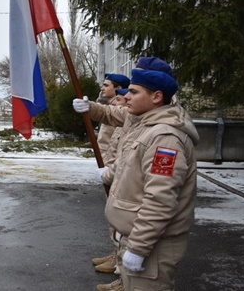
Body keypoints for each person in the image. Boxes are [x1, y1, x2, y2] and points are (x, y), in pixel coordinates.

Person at [73, 62, 199, 291]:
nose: (126, 96)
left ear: (157, 97)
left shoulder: (165, 138)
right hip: (137, 237)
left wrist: (139, 248)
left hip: (153, 245)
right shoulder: (145, 123)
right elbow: (130, 165)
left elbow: (160, 200)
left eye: (133, 91)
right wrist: (110, 173)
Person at [92, 73, 130, 275]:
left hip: (115, 168)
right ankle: (115, 253)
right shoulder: (113, 106)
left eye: (106, 85)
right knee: (112, 219)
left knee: (118, 220)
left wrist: (110, 168)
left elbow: (119, 145)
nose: (102, 88)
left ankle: (120, 259)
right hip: (108, 166)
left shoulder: (124, 110)